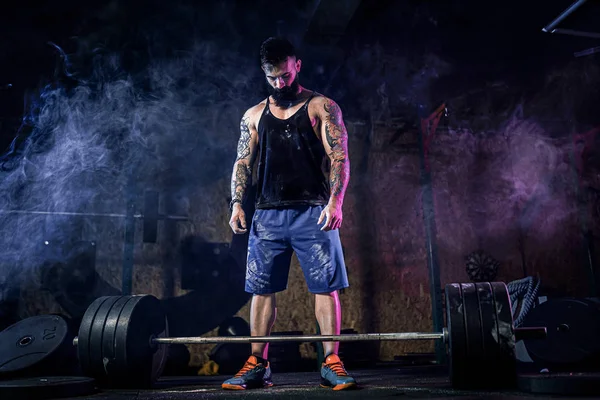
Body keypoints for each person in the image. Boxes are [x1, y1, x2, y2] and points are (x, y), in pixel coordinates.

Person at [222, 37, 356, 391]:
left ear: (297, 64)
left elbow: (340, 158)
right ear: (264, 74)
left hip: (313, 211)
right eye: (273, 78)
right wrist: (236, 203)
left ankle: (331, 362)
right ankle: (257, 364)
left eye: (285, 74)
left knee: (326, 288)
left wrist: (336, 201)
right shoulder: (252, 115)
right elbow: (242, 162)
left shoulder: (321, 107)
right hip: (266, 216)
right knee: (261, 291)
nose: (280, 83)